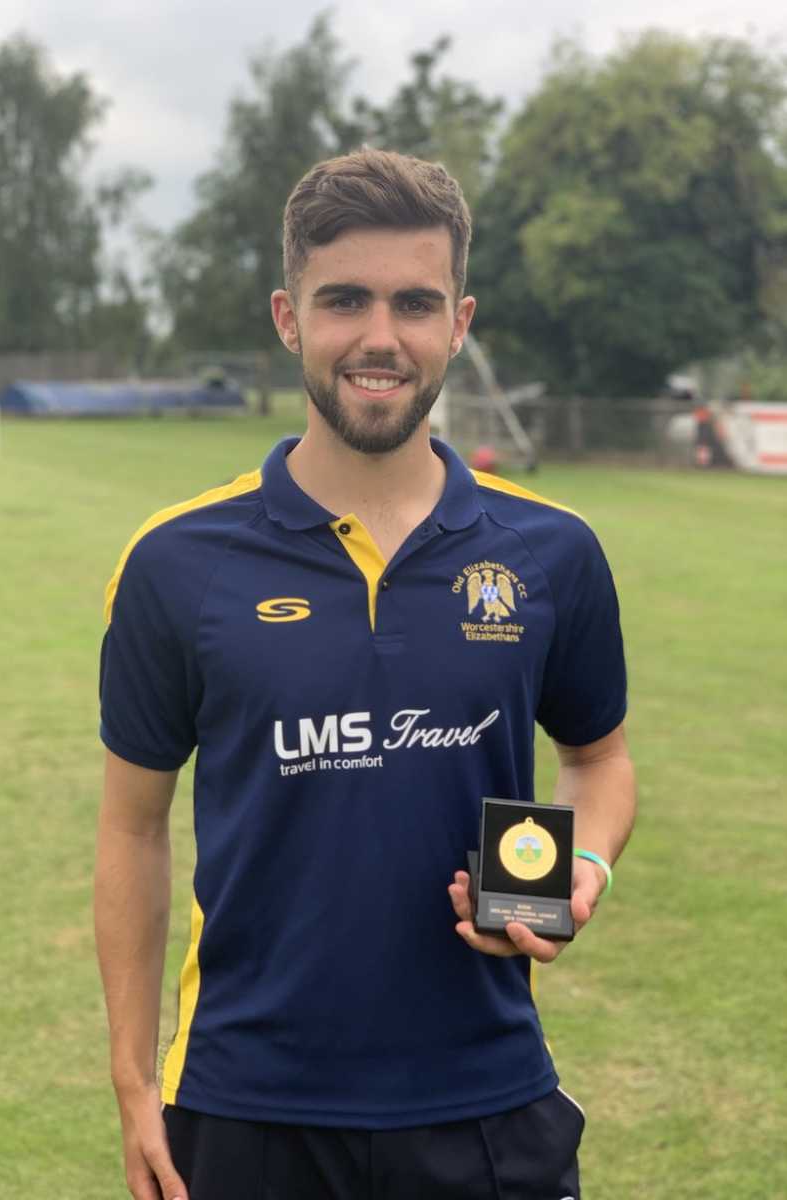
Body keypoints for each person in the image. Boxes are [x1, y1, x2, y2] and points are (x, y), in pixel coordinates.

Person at [94, 148, 636, 1200]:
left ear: (459, 322)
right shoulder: (176, 561)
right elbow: (131, 827)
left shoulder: (552, 552)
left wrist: (587, 871)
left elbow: (600, 760)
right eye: (344, 301)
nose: (379, 338)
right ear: (289, 316)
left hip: (486, 1101)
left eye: (414, 303)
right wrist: (129, 1084)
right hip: (244, 1109)